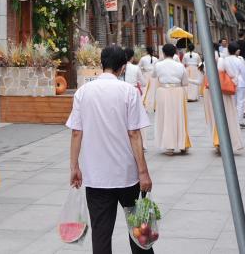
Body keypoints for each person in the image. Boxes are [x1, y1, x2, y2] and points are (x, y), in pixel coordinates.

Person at [67, 45, 153, 254]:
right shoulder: (128, 92)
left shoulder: (83, 92)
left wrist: (74, 167)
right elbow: (134, 134)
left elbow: (76, 132)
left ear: (101, 64)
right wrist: (143, 172)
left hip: (96, 176)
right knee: (139, 230)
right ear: (123, 67)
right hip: (127, 174)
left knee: (101, 233)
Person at [151, 43, 191, 155]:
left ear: (163, 53)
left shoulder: (158, 65)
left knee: (165, 117)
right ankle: (182, 144)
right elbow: (185, 82)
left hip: (163, 91)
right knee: (179, 117)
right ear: (175, 53)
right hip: (178, 91)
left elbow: (153, 76)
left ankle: (169, 147)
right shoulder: (180, 66)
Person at [204, 49, 245, 154]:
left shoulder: (206, 63)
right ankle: (226, 142)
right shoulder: (222, 61)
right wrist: (234, 83)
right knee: (227, 116)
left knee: (214, 117)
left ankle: (217, 141)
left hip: (210, 93)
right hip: (224, 93)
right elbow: (232, 75)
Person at [224, 44, 245, 129]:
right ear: (236, 50)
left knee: (232, 102)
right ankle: (239, 121)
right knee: (241, 102)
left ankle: (232, 120)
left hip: (229, 82)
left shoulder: (225, 60)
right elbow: (244, 73)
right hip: (240, 82)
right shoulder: (239, 60)